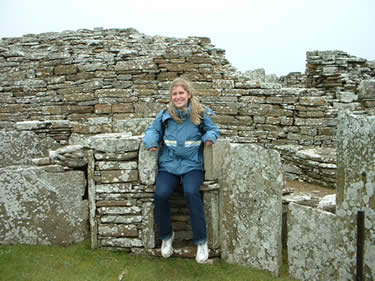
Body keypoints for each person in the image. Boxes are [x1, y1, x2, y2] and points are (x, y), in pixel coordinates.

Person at [143, 77, 220, 263]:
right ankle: (166, 237)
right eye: (175, 94)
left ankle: (202, 242)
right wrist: (151, 142)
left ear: (188, 94)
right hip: (169, 165)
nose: (178, 97)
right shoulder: (164, 115)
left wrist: (209, 137)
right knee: (160, 194)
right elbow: (152, 131)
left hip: (192, 166)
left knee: (191, 192)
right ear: (171, 96)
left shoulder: (200, 113)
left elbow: (214, 129)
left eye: (181, 93)